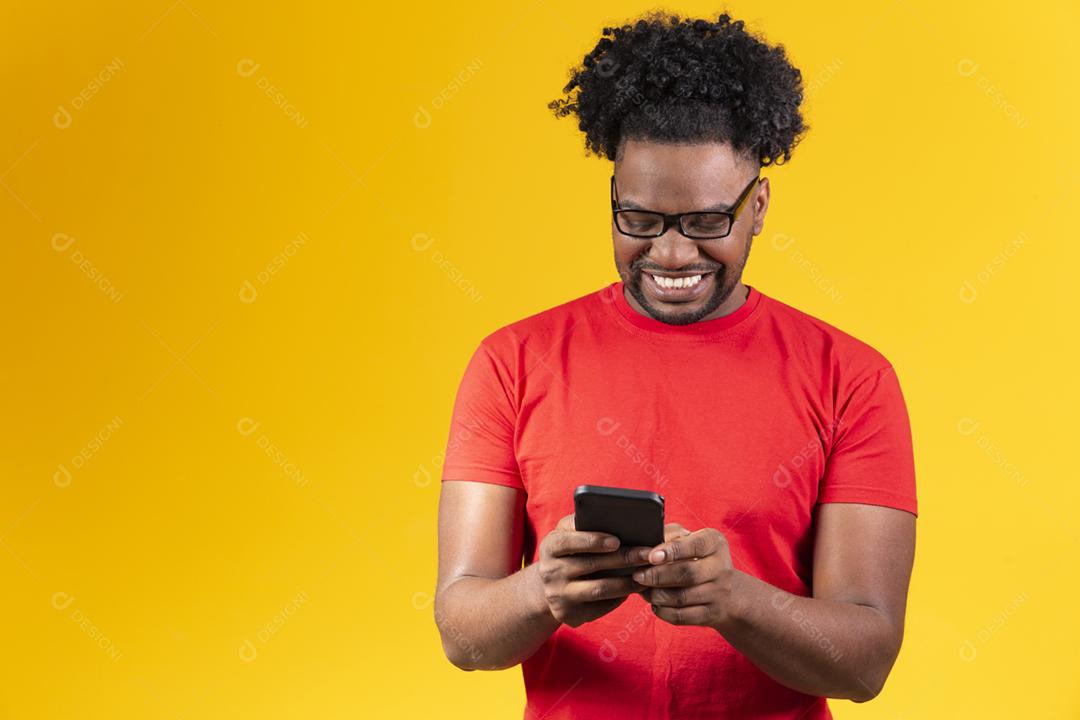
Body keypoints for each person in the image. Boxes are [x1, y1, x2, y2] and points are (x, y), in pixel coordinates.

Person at [434, 10, 917, 719]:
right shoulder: (512, 362)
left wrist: (736, 602)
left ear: (758, 207)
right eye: (640, 220)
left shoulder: (853, 379)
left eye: (706, 222)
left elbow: (866, 664)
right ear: (613, 200)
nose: (670, 253)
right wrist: (543, 591)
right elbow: (462, 633)